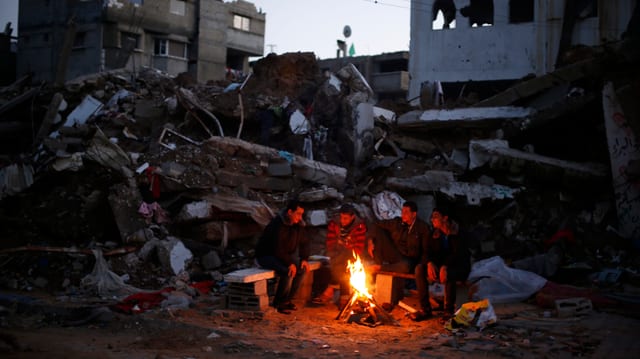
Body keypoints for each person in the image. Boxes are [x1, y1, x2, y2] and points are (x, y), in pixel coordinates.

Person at [368, 201, 433, 321]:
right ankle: (378, 263)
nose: (403, 214)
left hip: (412, 259)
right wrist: (370, 240)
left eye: (406, 212)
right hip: (397, 255)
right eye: (402, 211)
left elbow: (425, 251)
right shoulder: (397, 223)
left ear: (414, 214)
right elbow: (376, 224)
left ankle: (381, 268)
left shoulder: (422, 228)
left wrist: (426, 264)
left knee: (406, 266)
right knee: (379, 233)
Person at [255, 200, 311, 314]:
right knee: (287, 271)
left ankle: (287, 300)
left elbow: (305, 242)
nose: (300, 217)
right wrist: (290, 263)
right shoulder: (277, 225)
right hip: (267, 255)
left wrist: (304, 259)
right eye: (298, 214)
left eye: (302, 214)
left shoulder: (298, 225)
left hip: (284, 255)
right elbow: (277, 248)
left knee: (301, 269)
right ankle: (279, 302)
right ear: (290, 212)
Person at [313, 204, 368, 307]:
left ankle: (330, 290)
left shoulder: (359, 226)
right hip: (336, 255)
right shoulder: (334, 224)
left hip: (352, 257)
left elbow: (358, 248)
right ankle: (344, 297)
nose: (343, 221)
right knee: (342, 264)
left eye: (346, 218)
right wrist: (342, 247)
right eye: (341, 217)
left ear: (352, 217)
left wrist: (346, 247)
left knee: (344, 263)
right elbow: (330, 243)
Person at [425, 208, 471, 317]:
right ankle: (425, 309)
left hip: (459, 267)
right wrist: (430, 263)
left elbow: (458, 254)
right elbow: (428, 251)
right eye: (432, 217)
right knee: (419, 269)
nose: (432, 219)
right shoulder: (435, 233)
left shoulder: (458, 232)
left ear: (445, 218)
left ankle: (448, 310)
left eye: (435, 216)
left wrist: (445, 266)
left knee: (449, 274)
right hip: (441, 266)